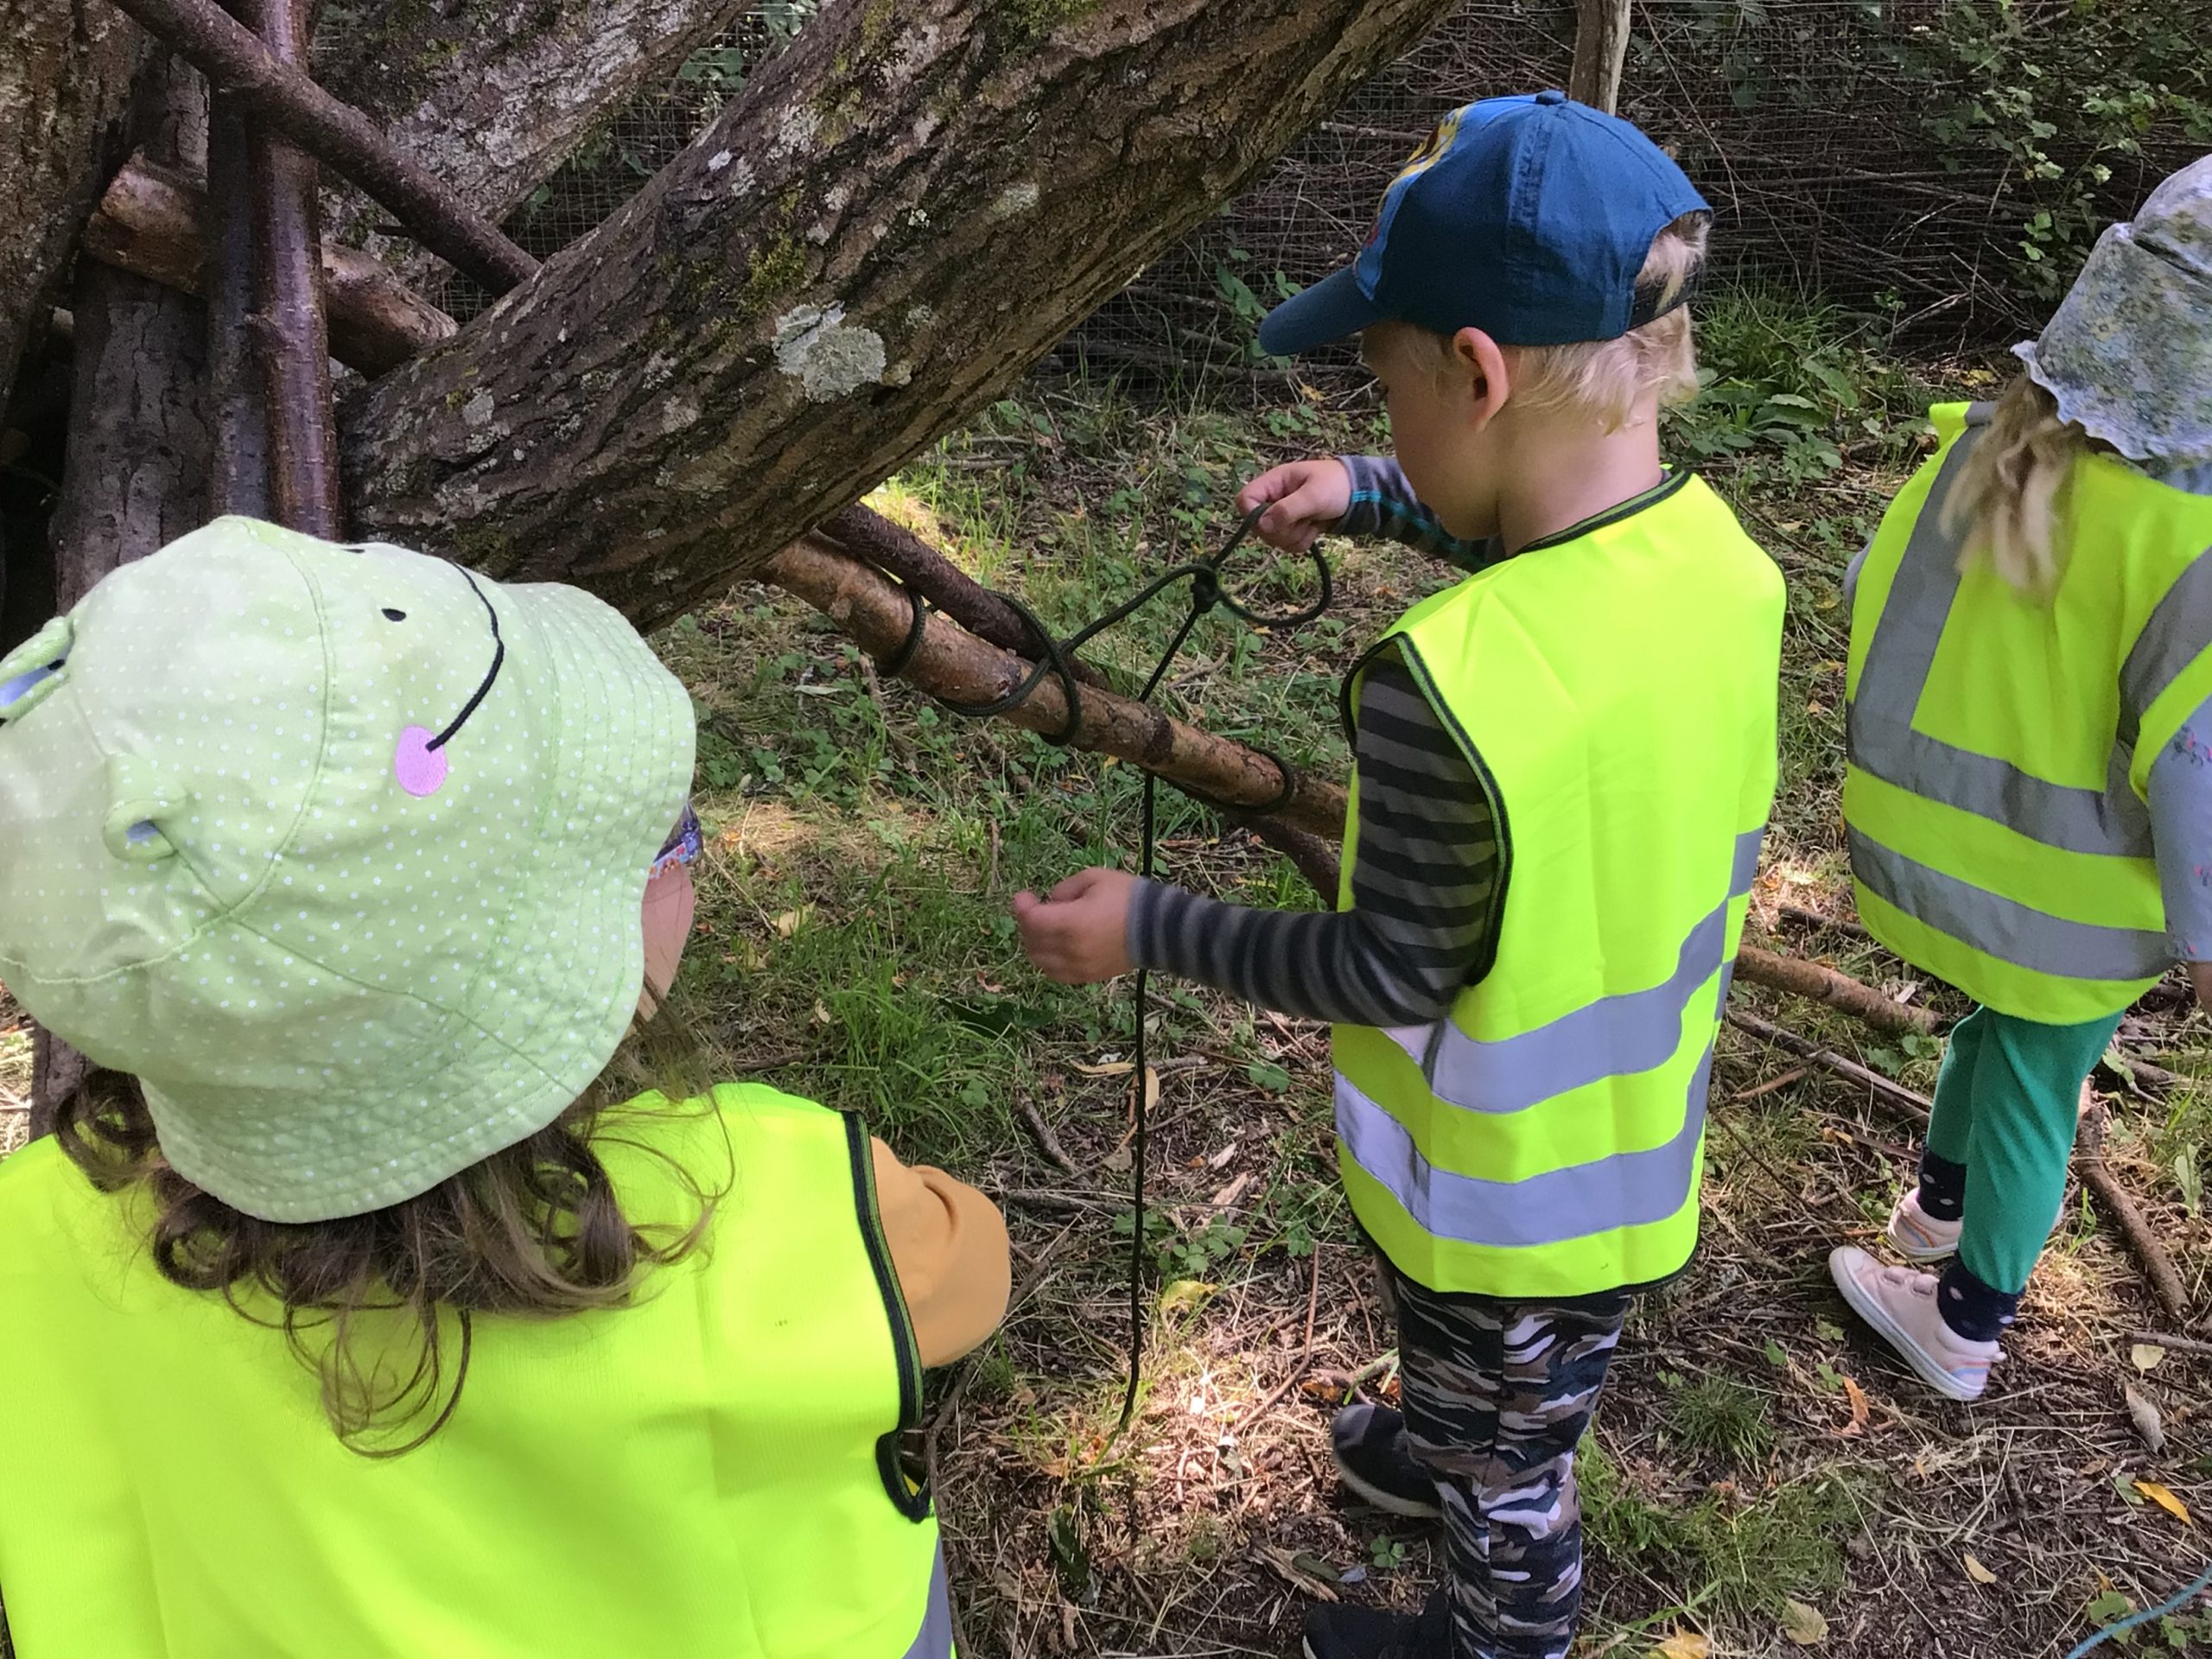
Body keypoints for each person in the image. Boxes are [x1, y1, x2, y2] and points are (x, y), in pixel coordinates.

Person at [1014, 92, 1786, 1659]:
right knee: (1493, 1394)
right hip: (1628, 1137)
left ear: (1480, 376)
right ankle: (1448, 1436)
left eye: (1388, 386)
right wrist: (1369, 487)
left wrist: (1150, 923)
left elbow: (1387, 969)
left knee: (1517, 1473)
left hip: (1503, 1202)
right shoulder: (1716, 565)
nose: (1384, 413)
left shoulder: (1453, 687)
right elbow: (1556, 556)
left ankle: (1498, 1620)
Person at [0, 517, 1009, 1657]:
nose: (690, 851)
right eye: (665, 837)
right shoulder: (773, 1199)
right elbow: (971, 1272)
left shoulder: (37, 1235)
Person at [1827, 156, 2212, 1402]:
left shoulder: (1999, 445)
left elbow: (1866, 589)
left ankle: (1939, 1223)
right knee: (2041, 1084)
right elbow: (2199, 766)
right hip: (2082, 899)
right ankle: (1964, 1325)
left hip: (1937, 850)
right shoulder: (2192, 540)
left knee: (1995, 1031)